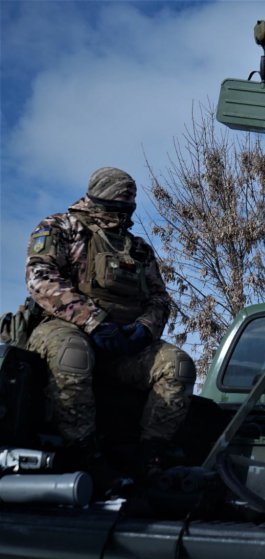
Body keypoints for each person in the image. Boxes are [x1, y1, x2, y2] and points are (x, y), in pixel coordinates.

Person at [25, 167, 196, 480]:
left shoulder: (139, 249)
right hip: (63, 327)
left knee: (178, 365)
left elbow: (159, 299)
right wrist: (93, 321)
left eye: (128, 207)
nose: (123, 212)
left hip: (124, 343)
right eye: (117, 206)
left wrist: (143, 329)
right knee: (73, 354)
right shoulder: (61, 227)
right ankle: (83, 453)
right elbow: (40, 279)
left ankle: (149, 457)